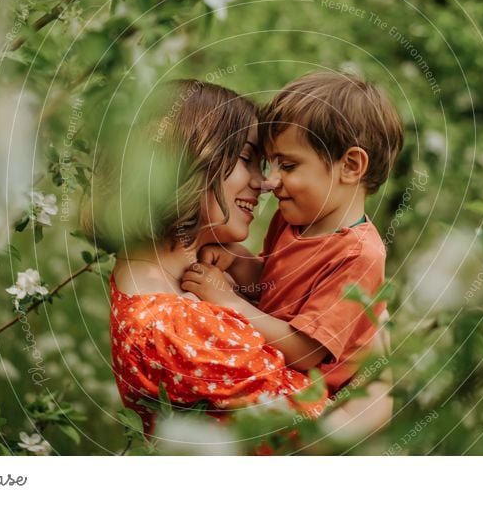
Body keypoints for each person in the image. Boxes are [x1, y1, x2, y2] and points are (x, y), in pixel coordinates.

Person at [85, 79, 387, 438]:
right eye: (248, 159)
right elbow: (317, 437)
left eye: (280, 165)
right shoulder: (173, 326)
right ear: (183, 162)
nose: (265, 183)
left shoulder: (182, 280)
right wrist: (382, 370)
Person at [180, 72, 403, 414]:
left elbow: (306, 349)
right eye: (271, 164)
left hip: (315, 403)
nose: (270, 181)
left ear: (351, 166)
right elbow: (277, 289)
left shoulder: (359, 254)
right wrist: (237, 262)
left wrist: (229, 301)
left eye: (288, 165)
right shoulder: (292, 219)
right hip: (273, 368)